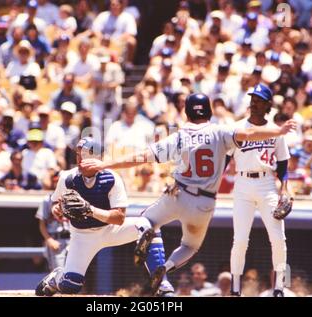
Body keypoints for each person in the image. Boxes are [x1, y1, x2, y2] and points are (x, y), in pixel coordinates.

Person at [80, 92, 296, 295]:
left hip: (177, 194)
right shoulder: (220, 132)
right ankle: (164, 269)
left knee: (146, 220)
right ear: (209, 112)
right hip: (203, 203)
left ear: (187, 113)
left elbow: (142, 156)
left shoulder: (180, 136)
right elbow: (249, 133)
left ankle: (150, 244)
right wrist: (278, 131)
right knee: (190, 246)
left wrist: (104, 164)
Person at [35, 137, 152, 296]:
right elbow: (55, 202)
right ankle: (56, 277)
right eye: (78, 154)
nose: (80, 159)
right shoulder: (67, 177)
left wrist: (89, 210)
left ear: (97, 157)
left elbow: (119, 218)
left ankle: (161, 281)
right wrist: (57, 209)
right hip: (82, 236)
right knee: (70, 286)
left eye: (84, 154)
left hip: (111, 230)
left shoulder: (111, 178)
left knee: (147, 226)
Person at [227, 84, 291, 297]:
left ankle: (279, 287)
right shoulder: (237, 128)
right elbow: (224, 160)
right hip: (243, 184)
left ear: (267, 105)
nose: (254, 104)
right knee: (240, 239)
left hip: (267, 184)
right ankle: (235, 288)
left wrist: (285, 190)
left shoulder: (276, 131)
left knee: (278, 237)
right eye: (252, 99)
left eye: (259, 100)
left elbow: (283, 165)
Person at [36, 171, 70, 272]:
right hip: (56, 239)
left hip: (72, 239)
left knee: (75, 274)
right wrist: (49, 240)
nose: (59, 184)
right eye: (57, 181)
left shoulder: (72, 198)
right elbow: (42, 224)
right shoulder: (47, 199)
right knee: (58, 273)